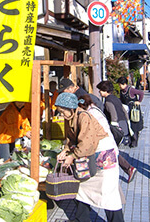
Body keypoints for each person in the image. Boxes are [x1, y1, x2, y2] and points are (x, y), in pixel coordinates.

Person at [55, 92, 125, 222]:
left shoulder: (84, 116)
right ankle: (82, 219)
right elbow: (70, 139)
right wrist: (65, 151)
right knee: (82, 189)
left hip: (104, 155)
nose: (61, 115)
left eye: (62, 111)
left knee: (108, 194)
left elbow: (86, 143)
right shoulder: (69, 118)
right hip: (90, 154)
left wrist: (72, 156)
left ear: (71, 108)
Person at [96, 81, 137, 182]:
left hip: (117, 127)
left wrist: (113, 127)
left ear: (105, 91)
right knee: (114, 150)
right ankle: (128, 168)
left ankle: (128, 168)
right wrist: (128, 126)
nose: (100, 92)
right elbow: (124, 111)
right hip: (123, 125)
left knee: (112, 150)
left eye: (101, 90)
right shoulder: (115, 98)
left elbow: (113, 116)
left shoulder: (108, 101)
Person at [117, 77, 144, 148]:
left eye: (120, 84)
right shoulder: (122, 91)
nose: (120, 86)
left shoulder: (131, 90)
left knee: (134, 124)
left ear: (124, 84)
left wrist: (139, 101)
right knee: (127, 124)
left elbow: (141, 93)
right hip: (126, 109)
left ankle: (134, 141)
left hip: (133, 109)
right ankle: (129, 139)